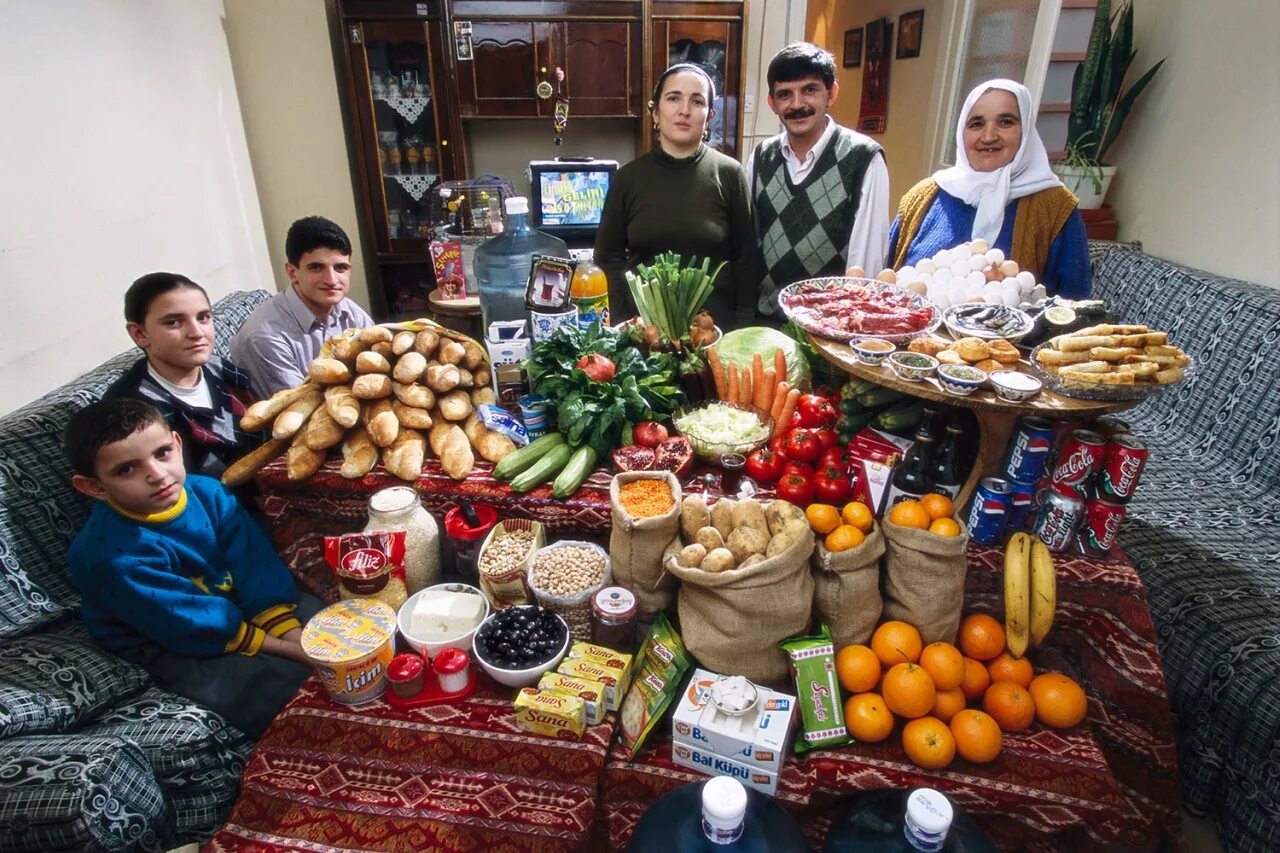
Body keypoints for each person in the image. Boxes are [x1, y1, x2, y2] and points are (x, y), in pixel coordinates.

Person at [65, 398, 324, 738]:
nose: (157, 475)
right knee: (275, 685)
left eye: (162, 453)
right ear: (94, 487)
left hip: (229, 597)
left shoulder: (210, 492)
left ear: (177, 444)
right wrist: (294, 651)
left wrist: (295, 633)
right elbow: (183, 620)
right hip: (164, 632)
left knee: (328, 623)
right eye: (126, 469)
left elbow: (253, 564)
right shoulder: (109, 554)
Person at [888, 79, 1091, 297]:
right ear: (961, 132)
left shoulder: (1055, 207)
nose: (988, 136)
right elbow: (886, 281)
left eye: (1005, 122)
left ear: (1026, 132)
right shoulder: (923, 198)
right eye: (976, 124)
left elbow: (1076, 305)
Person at [594, 63, 756, 328]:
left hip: (714, 333)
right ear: (656, 112)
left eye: (697, 101)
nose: (684, 110)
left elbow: (746, 260)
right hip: (646, 333)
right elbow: (607, 258)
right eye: (673, 98)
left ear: (710, 116)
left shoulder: (730, 174)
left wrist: (743, 328)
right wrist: (623, 323)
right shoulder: (628, 178)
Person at [746, 42, 890, 322]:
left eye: (809, 90)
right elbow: (750, 245)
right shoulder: (761, 157)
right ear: (772, 103)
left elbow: (866, 264)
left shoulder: (863, 158)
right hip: (765, 324)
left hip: (827, 332)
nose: (797, 104)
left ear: (831, 93)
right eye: (785, 94)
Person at [105, 272, 263, 479]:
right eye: (173, 322)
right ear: (139, 334)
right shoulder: (132, 410)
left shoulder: (222, 370)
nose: (197, 332)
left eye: (203, 317)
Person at [231, 216, 374, 397]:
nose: (331, 280)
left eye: (340, 268)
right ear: (292, 272)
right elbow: (299, 408)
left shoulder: (347, 310)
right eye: (316, 267)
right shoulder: (265, 336)